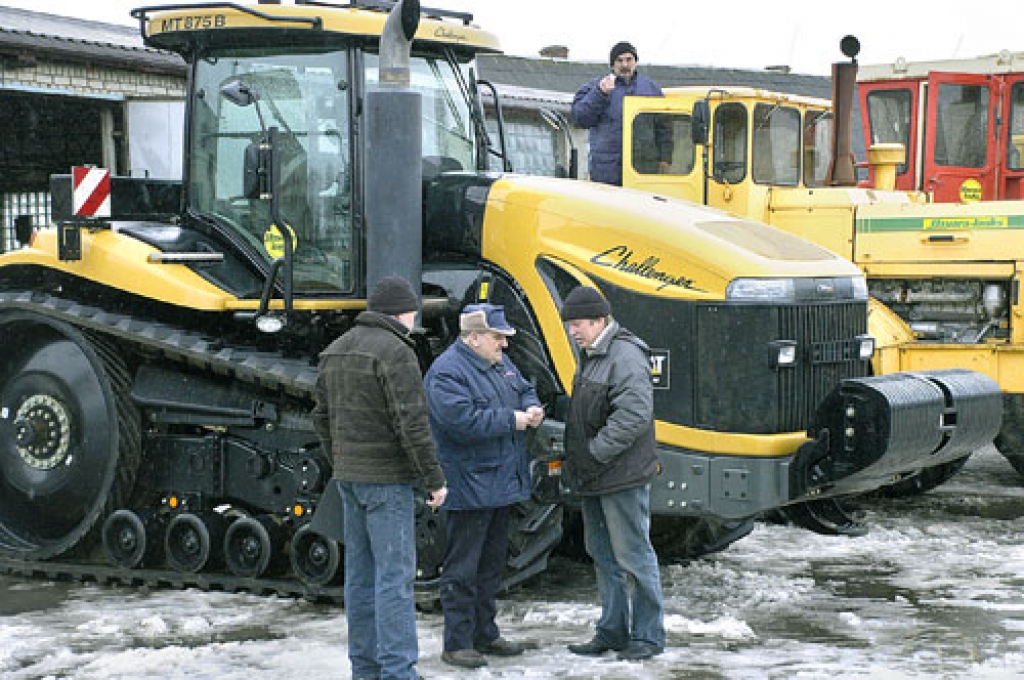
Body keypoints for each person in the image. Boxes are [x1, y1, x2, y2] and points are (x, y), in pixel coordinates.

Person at [311, 274, 448, 680]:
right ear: (404, 312)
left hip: (350, 480)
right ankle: (398, 671)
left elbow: (320, 417)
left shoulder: (335, 349)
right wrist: (433, 479)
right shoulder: (396, 351)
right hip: (388, 481)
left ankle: (365, 668)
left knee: (360, 578)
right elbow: (412, 423)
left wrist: (340, 460)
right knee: (394, 579)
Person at [424, 303, 545, 670]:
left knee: (491, 566)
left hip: (499, 482)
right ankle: (458, 643)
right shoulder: (447, 372)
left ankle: (485, 634)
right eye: (497, 337)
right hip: (469, 486)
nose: (504, 344)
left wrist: (532, 406)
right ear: (473, 338)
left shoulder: (497, 363)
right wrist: (513, 420)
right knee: (463, 568)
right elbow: (461, 422)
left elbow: (524, 388)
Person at [559, 286, 666, 662]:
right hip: (596, 474)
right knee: (603, 554)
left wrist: (594, 452)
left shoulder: (624, 355)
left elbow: (634, 415)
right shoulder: (594, 354)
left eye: (578, 324)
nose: (573, 330)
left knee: (633, 554)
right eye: (570, 324)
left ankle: (648, 636)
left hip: (620, 475)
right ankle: (612, 630)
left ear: (599, 321)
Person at [572, 41, 673, 186]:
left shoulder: (652, 90)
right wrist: (600, 93)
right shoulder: (595, 87)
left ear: (635, 62)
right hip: (606, 173)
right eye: (619, 60)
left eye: (629, 59)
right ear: (612, 65)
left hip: (642, 172)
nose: (625, 65)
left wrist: (665, 158)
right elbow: (580, 118)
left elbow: (664, 128)